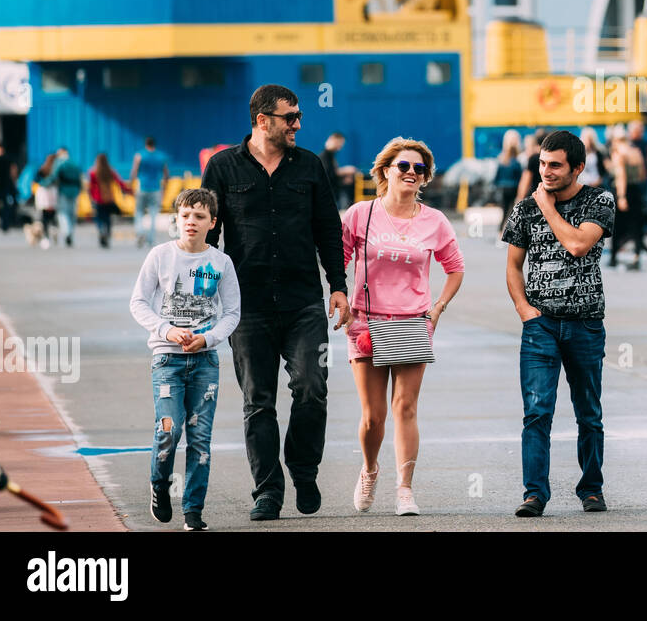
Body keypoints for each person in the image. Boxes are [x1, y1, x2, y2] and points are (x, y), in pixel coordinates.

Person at [200, 84, 350, 521]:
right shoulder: (223, 167)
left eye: (299, 115)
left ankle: (303, 470)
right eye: (290, 117)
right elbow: (208, 234)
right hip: (246, 307)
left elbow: (327, 227)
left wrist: (337, 285)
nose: (298, 124)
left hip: (304, 303)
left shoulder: (309, 166)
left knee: (311, 388)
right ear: (262, 120)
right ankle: (267, 491)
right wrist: (199, 291)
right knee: (257, 400)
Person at [342, 138, 464, 516]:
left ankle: (405, 489)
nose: (412, 173)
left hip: (413, 322)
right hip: (366, 321)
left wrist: (438, 306)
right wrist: (339, 296)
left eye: (419, 169)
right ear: (385, 171)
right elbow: (337, 257)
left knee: (406, 407)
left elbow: (455, 267)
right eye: (404, 166)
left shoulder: (434, 221)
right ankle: (370, 469)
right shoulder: (360, 214)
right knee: (372, 415)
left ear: (425, 178)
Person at [502, 130, 616, 517]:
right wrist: (524, 311)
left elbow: (579, 244)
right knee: (537, 412)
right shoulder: (523, 209)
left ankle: (592, 489)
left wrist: (548, 208)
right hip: (541, 326)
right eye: (542, 164)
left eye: (555, 165)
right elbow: (513, 266)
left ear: (577, 168)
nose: (545, 172)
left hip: (585, 324)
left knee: (589, 412)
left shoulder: (599, 200)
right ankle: (535, 494)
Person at [128, 188, 241, 531]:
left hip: (205, 362)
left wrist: (208, 338)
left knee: (200, 438)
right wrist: (166, 330)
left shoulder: (221, 262)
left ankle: (193, 511)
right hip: (167, 361)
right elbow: (138, 302)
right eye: (185, 215)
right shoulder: (160, 256)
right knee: (169, 429)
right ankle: (159, 484)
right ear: (176, 219)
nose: (191, 222)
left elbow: (232, 313)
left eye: (199, 216)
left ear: (212, 222)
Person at [608, 130, 647, 269]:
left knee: (617, 226)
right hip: (636, 191)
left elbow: (621, 176)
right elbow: (643, 174)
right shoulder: (636, 152)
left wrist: (621, 197)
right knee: (636, 225)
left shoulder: (619, 154)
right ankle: (637, 256)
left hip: (622, 192)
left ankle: (613, 257)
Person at [130, 137, 170, 249]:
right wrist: (165, 188)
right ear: (154, 144)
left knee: (138, 212)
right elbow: (166, 174)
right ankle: (150, 239)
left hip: (142, 186)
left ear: (145, 144)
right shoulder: (161, 156)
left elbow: (134, 171)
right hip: (156, 188)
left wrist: (131, 184)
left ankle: (140, 232)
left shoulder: (139, 156)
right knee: (153, 214)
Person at [89, 153, 129, 248]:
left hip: (98, 198)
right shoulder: (110, 171)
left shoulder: (93, 172)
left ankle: (101, 230)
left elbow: (90, 187)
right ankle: (107, 233)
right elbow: (120, 183)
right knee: (107, 219)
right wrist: (128, 190)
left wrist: (91, 197)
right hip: (109, 198)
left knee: (99, 218)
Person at [493, 129, 524, 244]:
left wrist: (496, 187)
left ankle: (501, 234)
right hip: (514, 188)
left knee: (504, 211)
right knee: (512, 212)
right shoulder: (518, 160)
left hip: (503, 188)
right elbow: (520, 176)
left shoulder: (502, 159)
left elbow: (497, 176)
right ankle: (507, 235)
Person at [54, 148, 83, 247]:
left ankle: (67, 232)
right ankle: (71, 232)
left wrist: (43, 183)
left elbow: (54, 176)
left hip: (64, 191)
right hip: (74, 191)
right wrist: (79, 189)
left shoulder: (60, 163)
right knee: (72, 213)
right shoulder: (75, 163)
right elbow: (80, 178)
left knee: (63, 213)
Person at [320, 133, 356, 212]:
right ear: (332, 140)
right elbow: (327, 175)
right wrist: (344, 172)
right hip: (328, 196)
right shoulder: (324, 157)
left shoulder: (330, 156)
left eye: (341, 145)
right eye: (338, 143)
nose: (339, 147)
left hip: (333, 194)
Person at [33, 152, 59, 248]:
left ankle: (46, 236)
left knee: (44, 215)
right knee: (53, 214)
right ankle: (54, 228)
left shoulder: (42, 169)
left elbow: (35, 180)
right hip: (53, 192)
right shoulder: (56, 170)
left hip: (43, 193)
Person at [515, 129, 547, 203]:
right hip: (549, 194)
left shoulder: (534, 158)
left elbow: (526, 179)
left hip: (535, 195)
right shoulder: (550, 157)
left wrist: (519, 198)